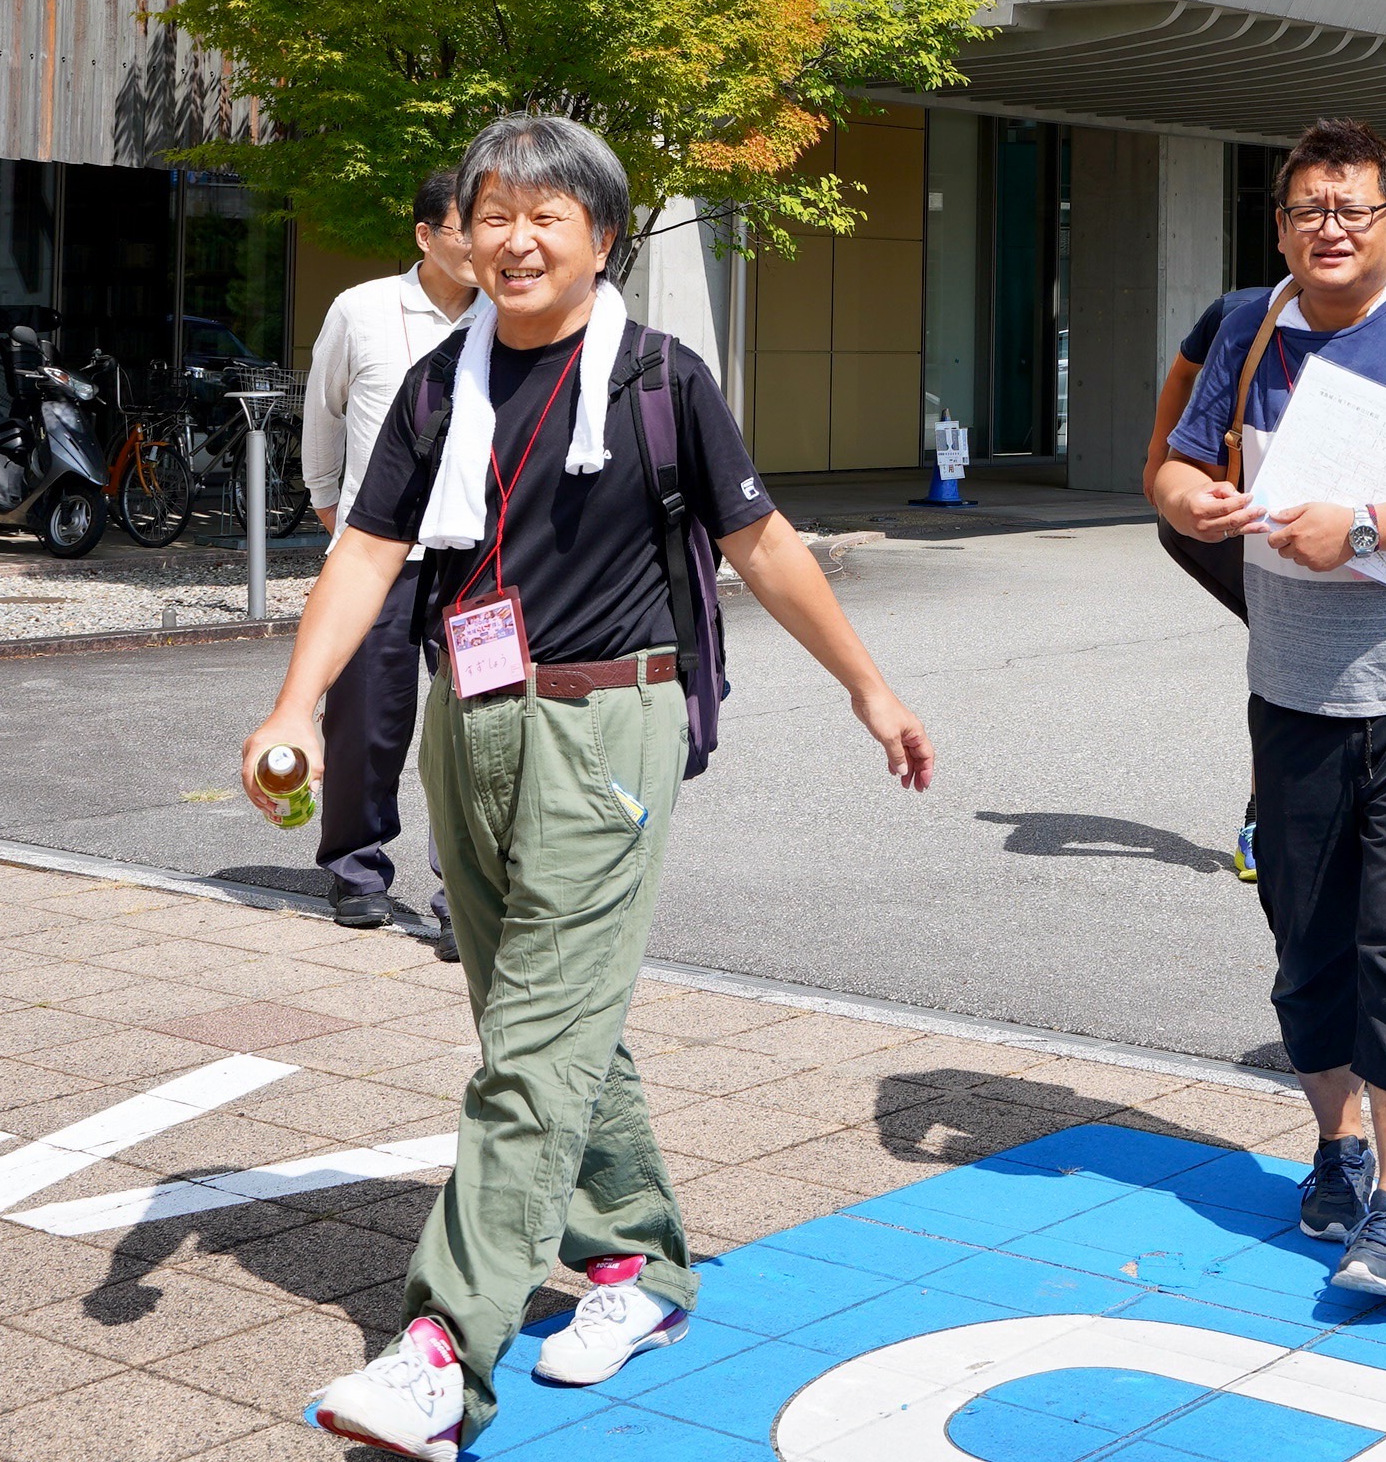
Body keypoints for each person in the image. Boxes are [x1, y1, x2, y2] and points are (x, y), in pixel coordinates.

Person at [246, 114, 937, 1459]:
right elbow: (368, 555)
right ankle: (634, 1270)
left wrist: (870, 684)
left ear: (601, 238)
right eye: (491, 212)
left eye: (543, 215)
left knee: (532, 1047)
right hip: (474, 723)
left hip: (607, 728)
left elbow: (764, 540)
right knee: (547, 1015)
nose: (510, 237)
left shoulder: (658, 383)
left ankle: (444, 1350)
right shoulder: (443, 386)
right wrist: (295, 708)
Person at [1153, 119, 1386, 1303]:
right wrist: (1198, 503)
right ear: (1279, 225)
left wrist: (1363, 524)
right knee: (1308, 948)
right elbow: (1168, 470)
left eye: (1351, 208)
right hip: (1294, 692)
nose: (1327, 227)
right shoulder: (1246, 324)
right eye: (1306, 209)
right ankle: (1335, 1144)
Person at [300, 169, 480, 943]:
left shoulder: (509, 317)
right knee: (365, 717)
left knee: (474, 721)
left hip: (473, 557)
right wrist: (334, 512)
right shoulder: (363, 309)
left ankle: (463, 890)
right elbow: (325, 411)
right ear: (425, 236)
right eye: (467, 228)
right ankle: (354, 866)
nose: (485, 244)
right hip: (378, 555)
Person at [1152, 286, 1274, 881]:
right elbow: (1181, 375)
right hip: (1232, 512)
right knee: (1278, 649)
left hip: (1318, 523)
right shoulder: (1239, 312)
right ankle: (1262, 819)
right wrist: (1159, 466)